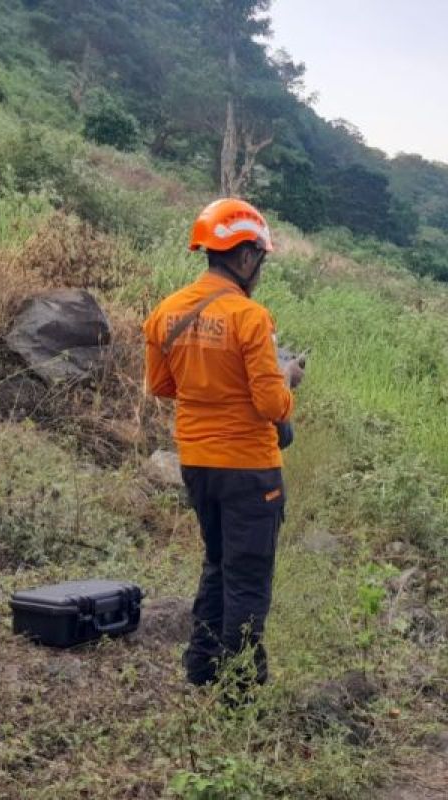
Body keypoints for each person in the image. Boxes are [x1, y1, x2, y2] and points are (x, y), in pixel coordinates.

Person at [143, 198, 303, 693]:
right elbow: (271, 404)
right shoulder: (250, 318)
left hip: (197, 465)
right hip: (250, 471)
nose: (259, 267)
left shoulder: (165, 313)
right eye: (261, 258)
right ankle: (240, 694)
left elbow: (162, 386)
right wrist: (288, 377)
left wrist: (210, 387)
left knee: (217, 563)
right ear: (245, 256)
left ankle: (202, 667)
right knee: (249, 581)